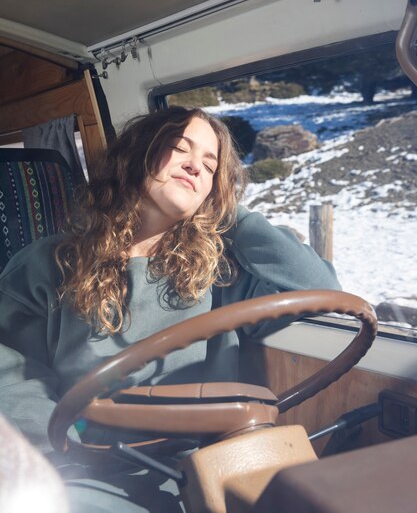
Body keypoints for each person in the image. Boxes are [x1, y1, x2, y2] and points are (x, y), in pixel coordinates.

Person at [0, 107, 341, 512]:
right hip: (88, 467)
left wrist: (229, 211)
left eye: (210, 167)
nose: (196, 167)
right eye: (180, 149)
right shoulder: (48, 264)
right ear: (136, 157)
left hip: (207, 461)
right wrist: (64, 455)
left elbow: (319, 286)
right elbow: (12, 377)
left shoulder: (217, 274)